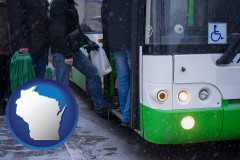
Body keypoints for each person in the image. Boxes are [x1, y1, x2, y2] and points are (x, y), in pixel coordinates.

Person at [49, 0, 112, 115]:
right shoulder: (59, 4)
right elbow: (58, 33)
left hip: (73, 49)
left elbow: (75, 31)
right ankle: (59, 114)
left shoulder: (70, 4)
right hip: (62, 52)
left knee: (92, 72)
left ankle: (100, 106)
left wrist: (88, 42)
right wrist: (67, 54)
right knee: (62, 85)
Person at [101, 0, 131, 127]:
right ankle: (127, 115)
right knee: (135, 79)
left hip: (116, 42)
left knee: (123, 77)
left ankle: (125, 113)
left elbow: (104, 17)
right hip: (130, 41)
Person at [6, 0, 49, 78]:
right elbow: (15, 20)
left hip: (41, 46)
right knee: (26, 85)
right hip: (27, 50)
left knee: (38, 84)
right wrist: (23, 43)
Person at [0, 0, 11, 115]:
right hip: (2, 50)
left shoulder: (10, 7)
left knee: (6, 79)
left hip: (9, 51)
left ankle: (4, 103)